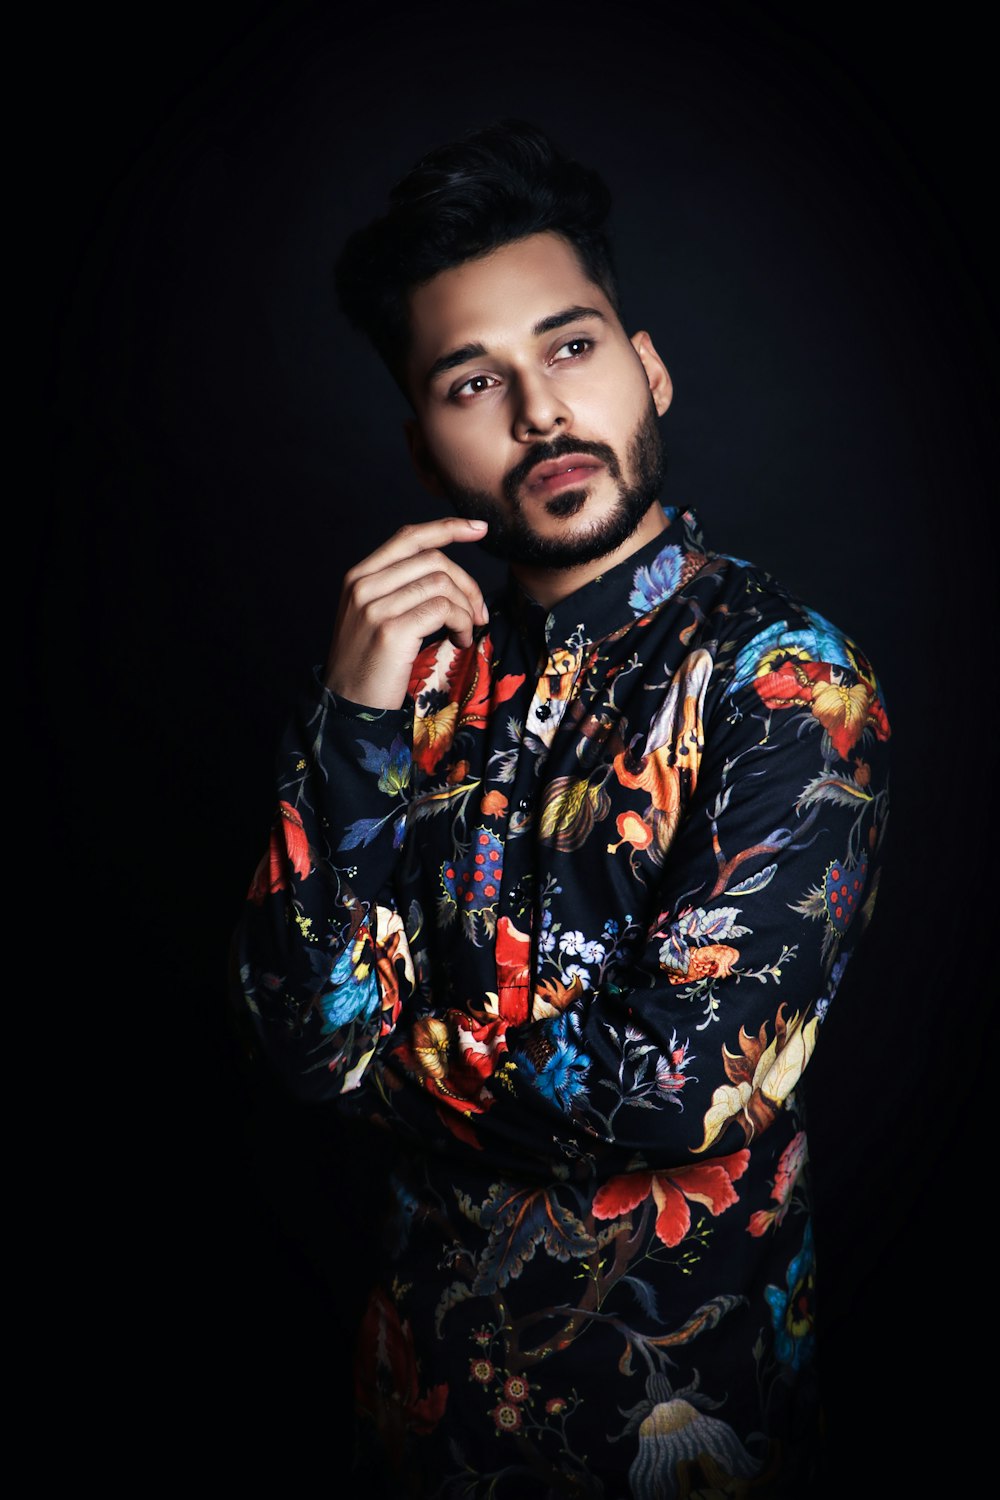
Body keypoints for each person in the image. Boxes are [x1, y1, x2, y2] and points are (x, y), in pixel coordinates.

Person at [234, 120, 890, 1497]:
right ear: (425, 446)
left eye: (571, 348)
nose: (539, 412)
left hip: (682, 1435)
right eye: (475, 381)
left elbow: (681, 1083)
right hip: (416, 1419)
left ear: (647, 368)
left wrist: (389, 1063)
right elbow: (301, 1032)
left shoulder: (780, 678)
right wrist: (354, 730)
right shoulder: (392, 681)